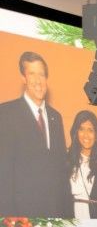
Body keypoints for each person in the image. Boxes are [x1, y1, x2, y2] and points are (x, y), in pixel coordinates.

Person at [0, 51, 68, 217]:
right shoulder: (6, 113)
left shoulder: (56, 117)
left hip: (55, 215)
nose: (38, 81)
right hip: (22, 218)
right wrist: (9, 221)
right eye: (32, 74)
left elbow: (61, 170)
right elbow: (4, 173)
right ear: (24, 78)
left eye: (42, 74)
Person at [66, 109, 97, 220]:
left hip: (96, 225)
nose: (86, 135)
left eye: (90, 130)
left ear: (96, 135)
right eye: (81, 129)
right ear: (76, 132)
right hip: (70, 222)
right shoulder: (66, 160)